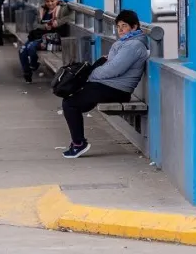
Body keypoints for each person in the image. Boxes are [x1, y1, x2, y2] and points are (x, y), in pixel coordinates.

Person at [61, 9, 150, 158]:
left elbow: (114, 69)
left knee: (69, 103)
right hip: (110, 86)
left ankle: (79, 144)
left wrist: (90, 74)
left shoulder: (133, 45)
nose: (120, 30)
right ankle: (78, 141)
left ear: (134, 27)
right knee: (72, 101)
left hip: (117, 89)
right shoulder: (127, 42)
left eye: (124, 26)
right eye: (118, 26)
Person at [19, 0, 70, 82]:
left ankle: (33, 66)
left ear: (57, 0)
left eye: (52, 1)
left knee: (31, 47)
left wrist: (58, 22)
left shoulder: (62, 9)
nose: (50, 3)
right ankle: (27, 73)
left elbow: (71, 17)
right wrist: (44, 26)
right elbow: (35, 25)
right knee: (22, 50)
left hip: (50, 38)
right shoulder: (42, 10)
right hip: (38, 36)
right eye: (47, 1)